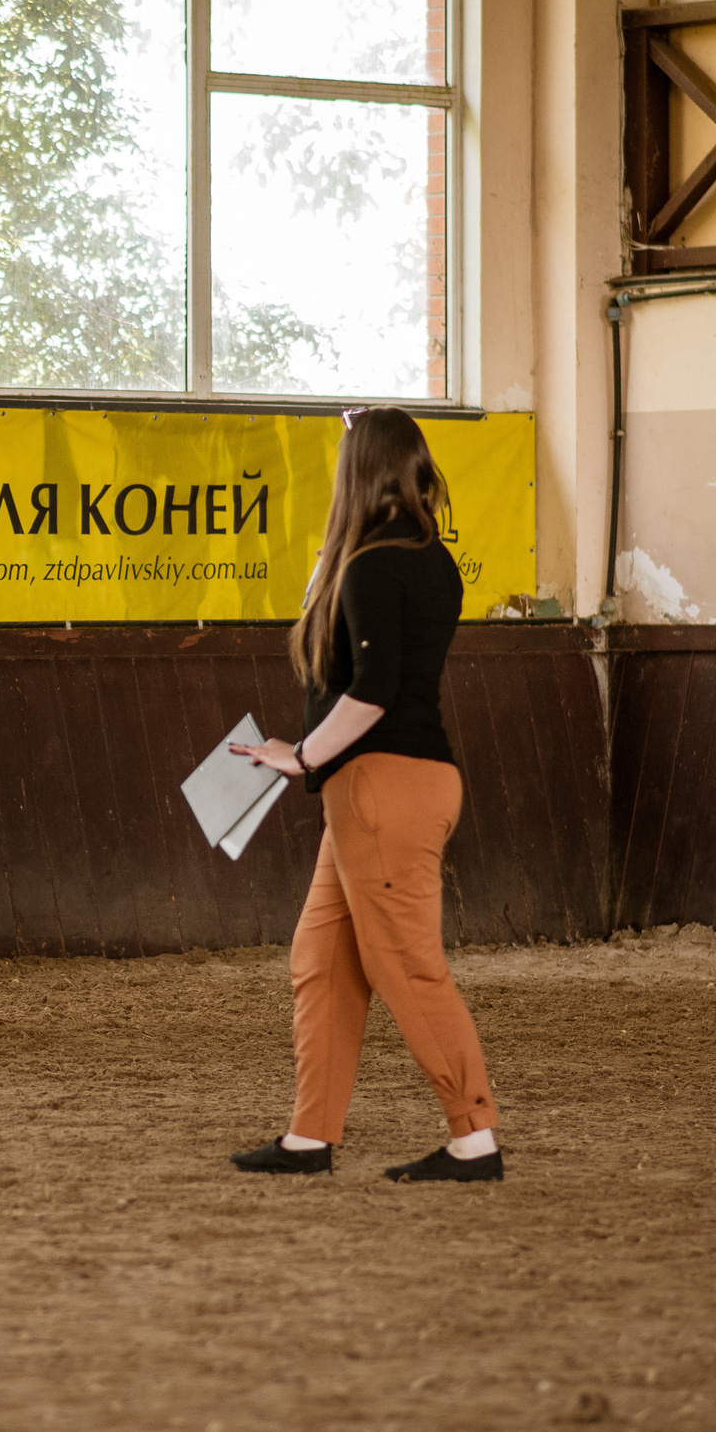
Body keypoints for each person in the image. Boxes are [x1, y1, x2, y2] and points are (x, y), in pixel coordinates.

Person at [225, 407, 501, 1183]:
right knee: (322, 960)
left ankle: (474, 1138)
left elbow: (373, 691)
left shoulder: (375, 565)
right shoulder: (420, 558)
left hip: (382, 787)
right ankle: (311, 1136)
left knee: (407, 965)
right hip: (382, 788)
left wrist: (301, 756)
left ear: (360, 470)